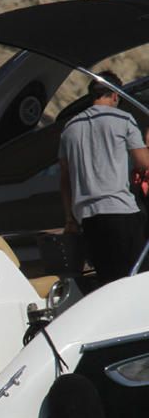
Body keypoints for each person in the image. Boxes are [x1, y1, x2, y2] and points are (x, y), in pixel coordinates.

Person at [59, 71, 149, 285]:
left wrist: (70, 219)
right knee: (138, 280)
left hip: (88, 217)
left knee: (108, 282)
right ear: (116, 95)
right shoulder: (122, 119)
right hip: (120, 212)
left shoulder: (69, 128)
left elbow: (65, 180)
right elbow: (143, 163)